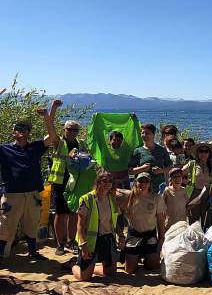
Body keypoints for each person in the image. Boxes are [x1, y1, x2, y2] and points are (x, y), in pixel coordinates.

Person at [0, 99, 60, 262]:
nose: (21, 131)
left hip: (33, 194)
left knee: (32, 225)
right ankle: (2, 254)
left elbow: (52, 135)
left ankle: (33, 252)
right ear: (13, 132)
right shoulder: (3, 149)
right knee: (6, 226)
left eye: (24, 129)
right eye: (18, 128)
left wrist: (50, 112)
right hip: (12, 195)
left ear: (29, 133)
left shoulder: (35, 148)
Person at [48, 119, 90, 256]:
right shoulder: (59, 142)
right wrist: (49, 113)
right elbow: (50, 131)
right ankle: (60, 244)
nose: (72, 132)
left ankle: (71, 242)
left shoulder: (82, 143)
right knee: (60, 214)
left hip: (76, 183)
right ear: (64, 130)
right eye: (69, 129)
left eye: (75, 130)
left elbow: (88, 159)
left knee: (73, 213)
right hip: (60, 182)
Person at [72, 170, 122, 281]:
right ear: (98, 181)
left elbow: (115, 221)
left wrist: (121, 236)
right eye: (104, 180)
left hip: (108, 239)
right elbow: (80, 225)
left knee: (110, 273)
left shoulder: (112, 199)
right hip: (91, 241)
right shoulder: (87, 199)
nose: (107, 184)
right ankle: (74, 266)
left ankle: (92, 267)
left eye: (110, 181)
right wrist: (83, 245)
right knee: (84, 278)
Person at [116, 172, 166, 274]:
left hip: (150, 236)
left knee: (153, 267)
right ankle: (133, 256)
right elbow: (114, 218)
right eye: (140, 181)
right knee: (130, 270)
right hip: (134, 236)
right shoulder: (127, 197)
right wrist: (120, 236)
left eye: (146, 181)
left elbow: (161, 220)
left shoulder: (156, 198)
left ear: (149, 184)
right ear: (135, 182)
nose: (143, 184)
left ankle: (146, 257)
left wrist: (161, 237)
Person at [183, 142, 212, 227]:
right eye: (201, 151)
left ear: (209, 153)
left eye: (206, 151)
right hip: (193, 194)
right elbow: (179, 175)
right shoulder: (192, 164)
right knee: (193, 221)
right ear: (197, 153)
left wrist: (211, 198)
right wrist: (188, 183)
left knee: (206, 221)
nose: (203, 153)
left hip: (207, 194)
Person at [128, 124, 172, 193]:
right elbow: (130, 171)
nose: (144, 135)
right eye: (142, 133)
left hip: (159, 188)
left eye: (147, 133)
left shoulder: (161, 150)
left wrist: (160, 170)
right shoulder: (138, 151)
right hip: (142, 188)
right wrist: (142, 168)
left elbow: (170, 167)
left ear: (153, 134)